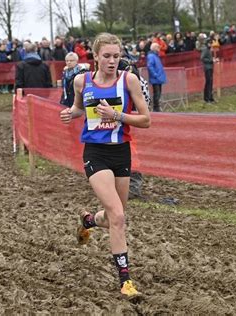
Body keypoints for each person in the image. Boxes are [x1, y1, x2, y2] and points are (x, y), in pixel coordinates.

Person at [59, 32, 150, 298]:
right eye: (107, 56)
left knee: (113, 218)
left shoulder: (129, 80)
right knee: (119, 217)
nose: (112, 61)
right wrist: (70, 114)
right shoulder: (81, 81)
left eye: (116, 56)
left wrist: (117, 115)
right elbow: (79, 108)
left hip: (121, 153)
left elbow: (146, 119)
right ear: (95, 56)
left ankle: (88, 221)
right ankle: (126, 282)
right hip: (95, 154)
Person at [146, 42, 167, 112]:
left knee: (158, 93)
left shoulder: (155, 56)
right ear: (154, 48)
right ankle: (156, 108)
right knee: (157, 94)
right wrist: (155, 75)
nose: (159, 49)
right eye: (158, 47)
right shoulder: (152, 56)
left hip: (158, 78)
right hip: (156, 79)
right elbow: (150, 66)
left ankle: (157, 107)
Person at [201, 39, 215, 103]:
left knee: (210, 82)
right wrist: (211, 61)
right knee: (208, 82)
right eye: (209, 43)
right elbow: (202, 58)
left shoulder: (209, 50)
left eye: (211, 43)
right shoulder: (205, 49)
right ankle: (207, 98)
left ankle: (210, 97)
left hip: (210, 67)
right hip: (207, 68)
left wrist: (213, 60)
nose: (210, 44)